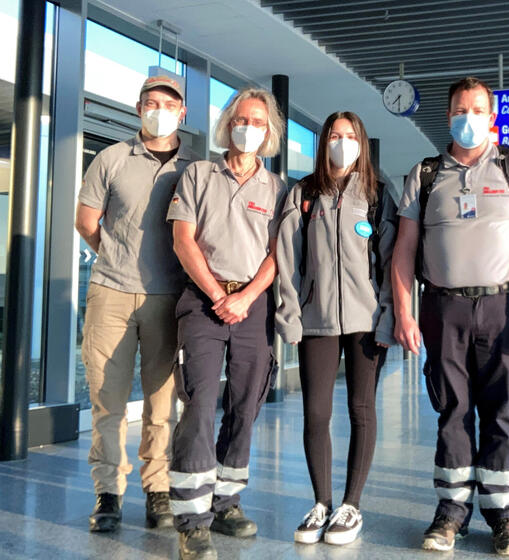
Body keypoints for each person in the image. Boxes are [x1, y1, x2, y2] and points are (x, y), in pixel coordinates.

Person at [392, 76, 509, 556]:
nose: (468, 118)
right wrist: (404, 312)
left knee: (501, 411)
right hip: (443, 307)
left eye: (477, 110)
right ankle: (451, 513)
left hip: (503, 306)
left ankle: (505, 517)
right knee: (452, 410)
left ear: (491, 117)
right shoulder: (425, 174)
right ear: (448, 116)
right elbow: (404, 249)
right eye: (460, 110)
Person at [166, 88, 286, 560]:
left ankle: (226, 501)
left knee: (245, 403)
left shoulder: (277, 189)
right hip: (203, 301)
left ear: (269, 131)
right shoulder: (199, 174)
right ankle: (192, 519)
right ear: (227, 124)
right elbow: (183, 240)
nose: (248, 128)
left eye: (257, 122)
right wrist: (219, 296)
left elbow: (278, 254)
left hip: (253, 305)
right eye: (241, 120)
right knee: (198, 404)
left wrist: (246, 297)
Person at [75, 75, 199, 533]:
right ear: (138, 108)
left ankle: (157, 489)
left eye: (168, 104)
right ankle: (108, 493)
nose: (158, 110)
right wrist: (117, 257)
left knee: (161, 403)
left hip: (169, 297)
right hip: (110, 293)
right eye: (151, 102)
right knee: (107, 401)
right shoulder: (110, 158)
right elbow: (86, 221)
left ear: (182, 112)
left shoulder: (195, 168)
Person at [275, 111, 397, 546]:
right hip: (316, 320)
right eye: (334, 136)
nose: (341, 143)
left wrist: (389, 315)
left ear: (361, 143)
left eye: (349, 136)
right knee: (316, 413)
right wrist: (289, 314)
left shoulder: (378, 196)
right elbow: (288, 258)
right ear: (323, 142)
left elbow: (390, 262)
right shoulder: (304, 193)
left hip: (367, 322)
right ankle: (321, 502)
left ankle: (351, 505)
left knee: (361, 410)